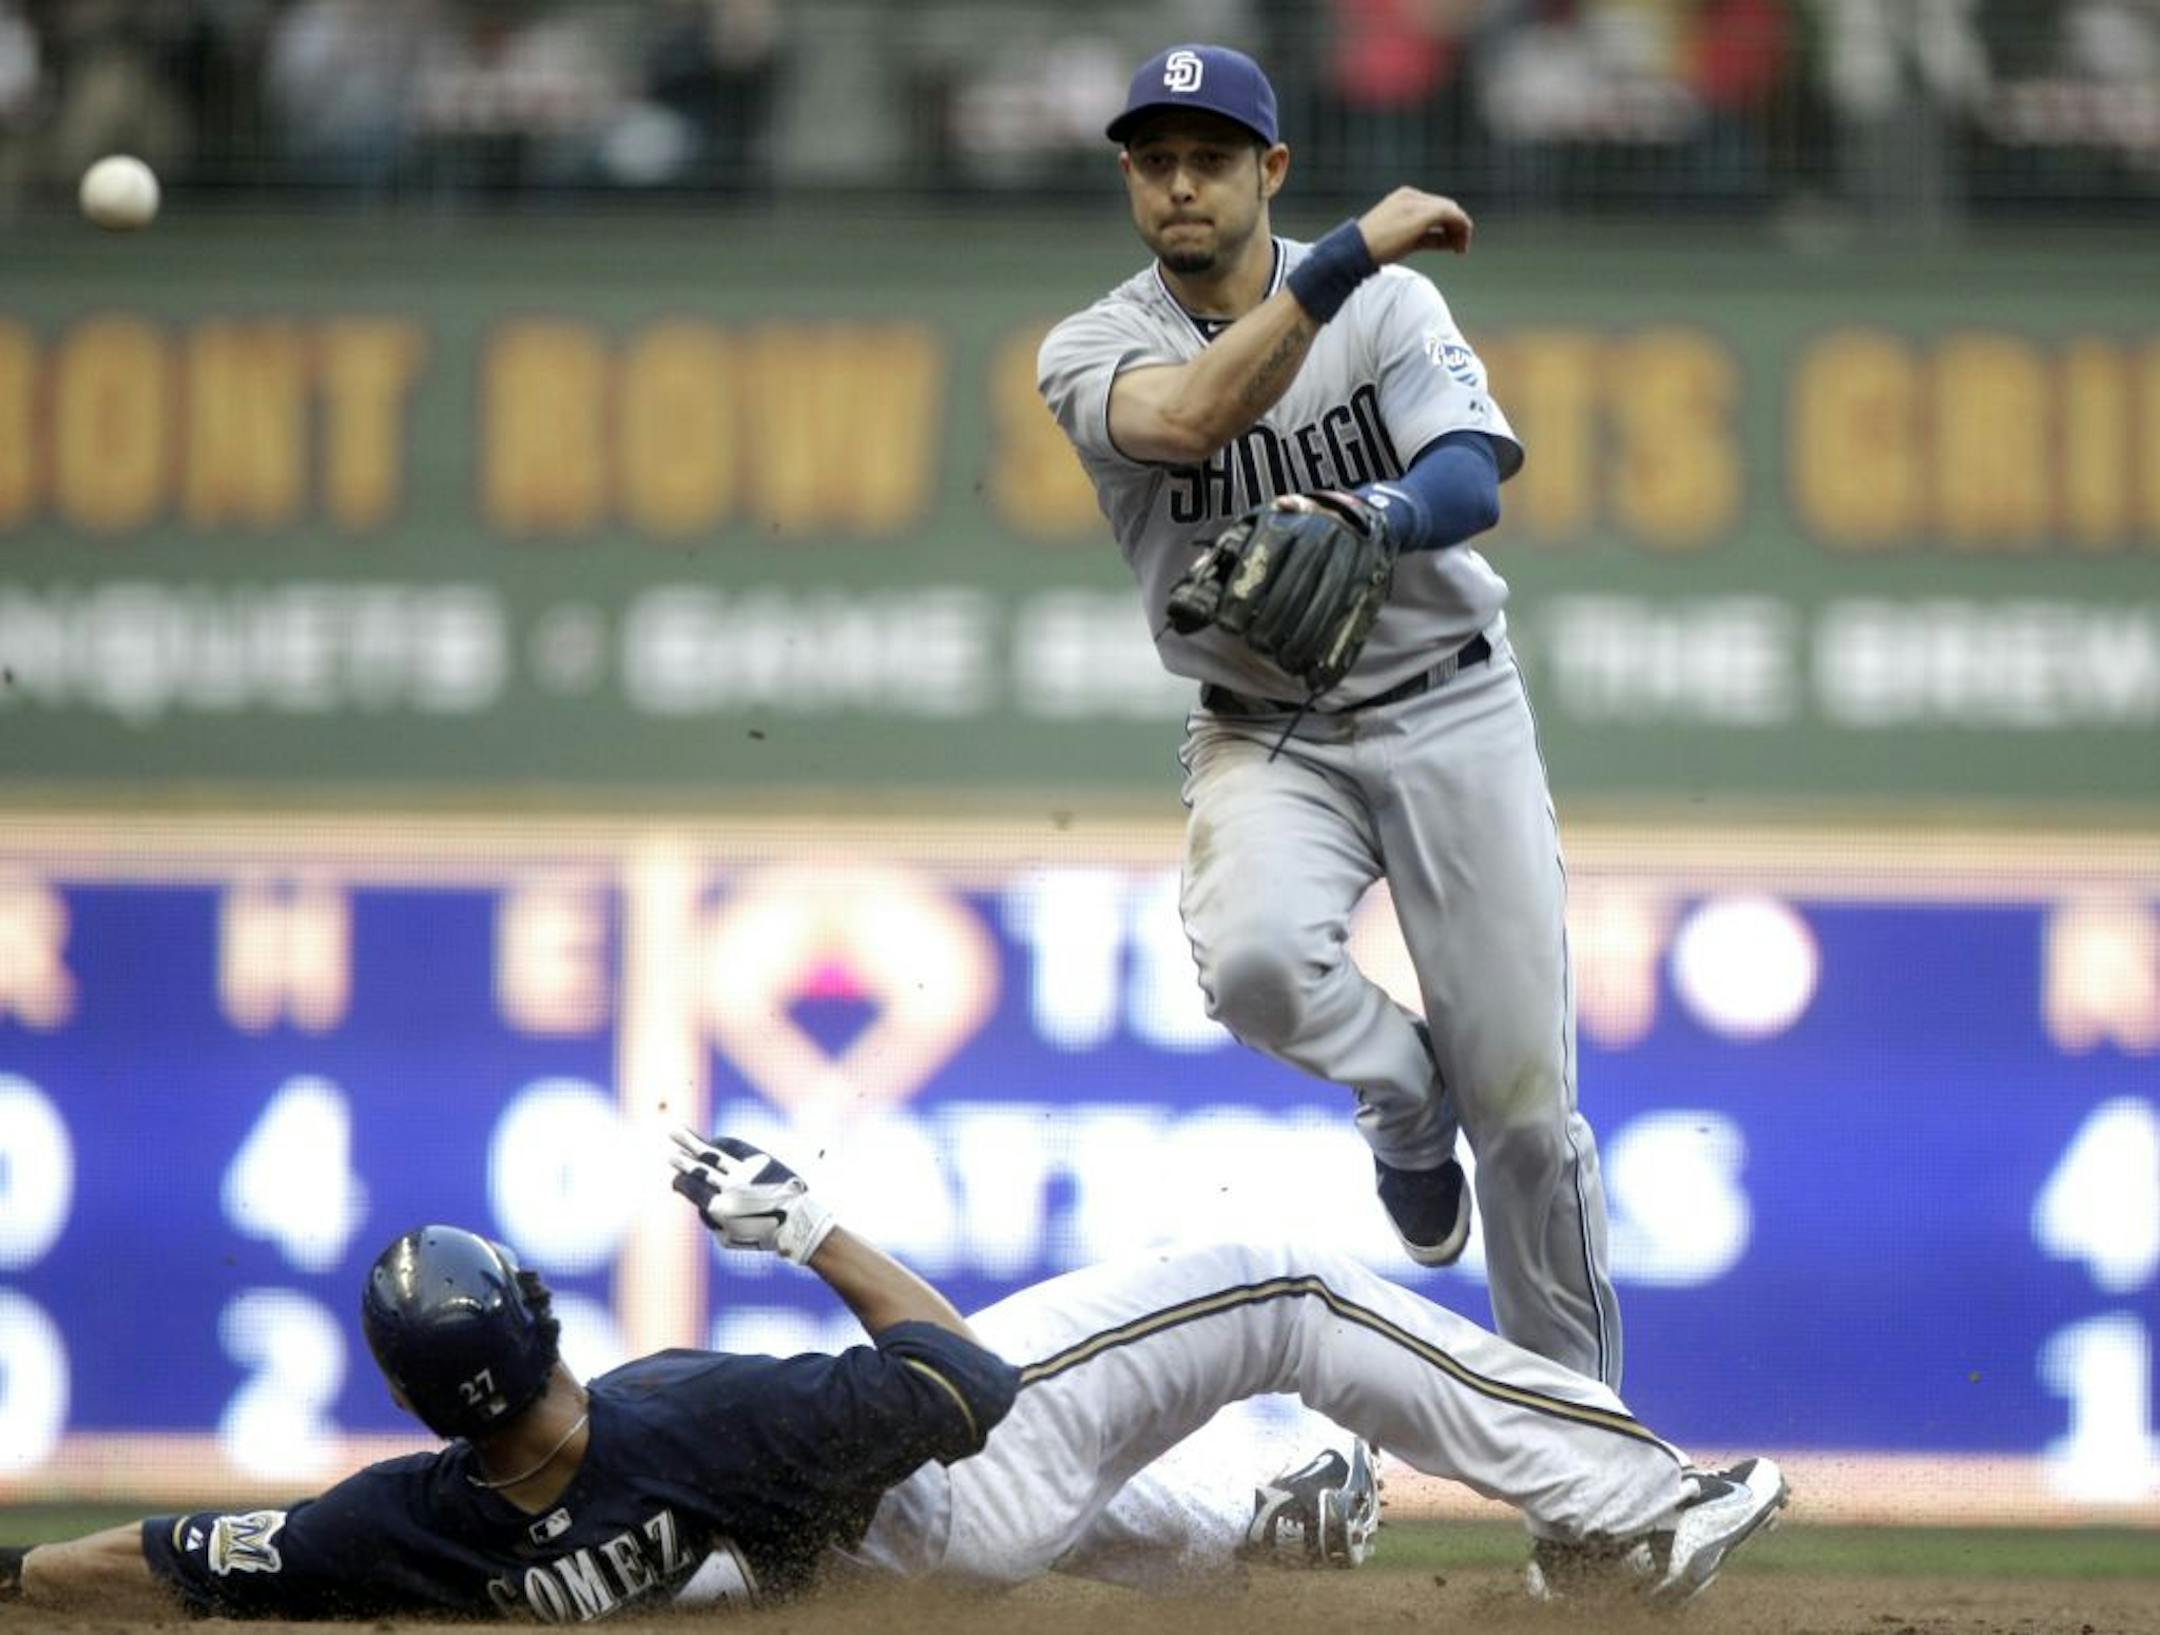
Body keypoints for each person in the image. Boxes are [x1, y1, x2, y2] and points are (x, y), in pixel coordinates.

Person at [2, 1130, 1785, 1619]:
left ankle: (1266, 1524)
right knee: (1285, 1278)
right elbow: (954, 1380)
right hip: (924, 1486)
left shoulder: (413, 1533)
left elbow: (173, 1562)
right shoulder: (694, 1416)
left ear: (409, 1406)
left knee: (968, 1494)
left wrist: (20, 1581)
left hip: (861, 1570)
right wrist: (816, 1226)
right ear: (542, 1325)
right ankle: (1637, 1506)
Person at [1036, 42, 1621, 1387]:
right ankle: (1404, 1104)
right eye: (1157, 161)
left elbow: (1472, 475)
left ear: (1269, 169)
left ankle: (1591, 1476)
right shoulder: (1091, 347)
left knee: (1528, 1120)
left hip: (1449, 701)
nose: (1183, 186)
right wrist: (1345, 250)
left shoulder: (1390, 308)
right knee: (1249, 964)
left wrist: (1376, 510)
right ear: (1130, 177)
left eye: (1213, 159)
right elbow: (1188, 417)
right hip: (1265, 726)